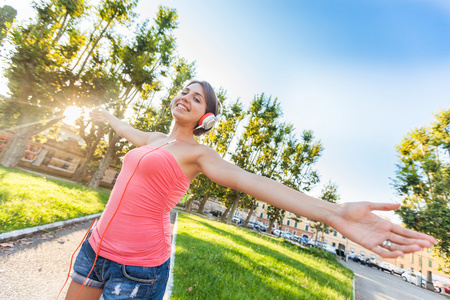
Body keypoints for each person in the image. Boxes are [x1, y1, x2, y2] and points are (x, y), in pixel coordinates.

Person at [65, 80, 437, 300]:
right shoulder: (153, 139)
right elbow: (128, 130)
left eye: (196, 98)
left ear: (205, 119)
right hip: (94, 249)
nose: (186, 97)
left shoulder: (200, 154)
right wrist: (109, 117)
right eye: (184, 91)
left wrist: (334, 213)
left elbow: (252, 181)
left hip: (138, 269)